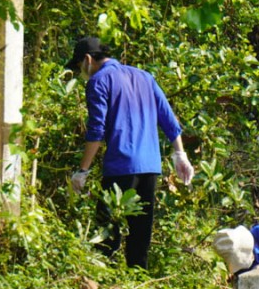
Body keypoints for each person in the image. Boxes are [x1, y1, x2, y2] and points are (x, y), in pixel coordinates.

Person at [67, 37, 194, 269]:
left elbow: (97, 130)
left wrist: (82, 170)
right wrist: (180, 155)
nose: (81, 73)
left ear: (87, 60)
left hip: (121, 166)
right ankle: (138, 281)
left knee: (106, 233)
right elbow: (169, 119)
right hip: (150, 166)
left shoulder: (98, 81)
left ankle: (104, 283)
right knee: (140, 232)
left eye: (79, 68)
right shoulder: (145, 76)